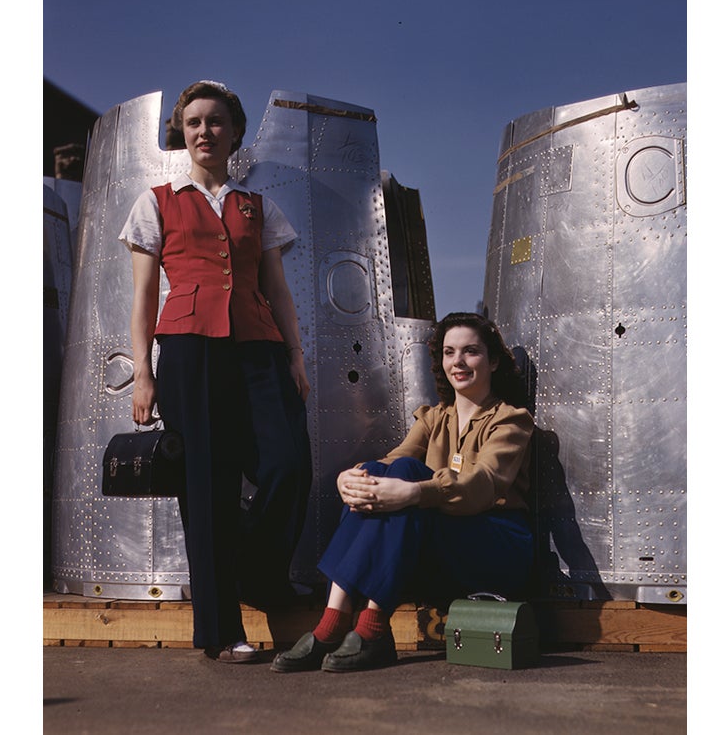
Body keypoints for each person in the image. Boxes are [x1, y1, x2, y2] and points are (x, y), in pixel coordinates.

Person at [118, 80, 312, 664]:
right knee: (207, 487)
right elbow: (144, 296)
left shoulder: (259, 206)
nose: (205, 132)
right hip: (188, 350)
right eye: (195, 122)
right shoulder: (155, 201)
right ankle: (221, 630)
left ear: (234, 132)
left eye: (217, 122)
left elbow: (277, 289)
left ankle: (255, 574)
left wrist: (296, 357)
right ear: (182, 131)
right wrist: (144, 373)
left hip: (258, 347)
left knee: (288, 464)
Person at [271, 312, 534, 673]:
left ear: (492, 361)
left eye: (470, 352)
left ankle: (368, 628)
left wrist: (412, 494)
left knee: (409, 477)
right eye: (449, 352)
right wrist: (351, 479)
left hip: (496, 545)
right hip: (445, 542)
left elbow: (482, 484)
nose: (457, 361)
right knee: (380, 472)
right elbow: (391, 462)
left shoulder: (511, 420)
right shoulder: (433, 418)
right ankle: (336, 620)